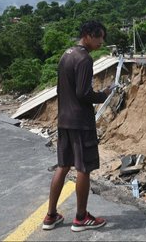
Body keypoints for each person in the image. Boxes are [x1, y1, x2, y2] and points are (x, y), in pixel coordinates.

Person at [42, 21, 111, 232]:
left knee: (63, 166)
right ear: (89, 35)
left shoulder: (67, 54)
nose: (101, 42)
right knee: (84, 168)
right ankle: (81, 218)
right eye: (100, 37)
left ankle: (51, 216)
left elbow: (62, 89)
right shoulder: (84, 59)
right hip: (81, 123)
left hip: (64, 120)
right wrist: (104, 94)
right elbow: (83, 93)